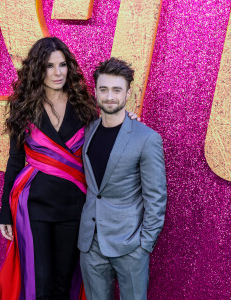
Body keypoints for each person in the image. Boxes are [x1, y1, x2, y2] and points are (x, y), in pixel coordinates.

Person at [0, 37, 139, 300]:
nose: (58, 73)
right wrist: (4, 212)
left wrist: (127, 122)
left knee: (64, 283)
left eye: (62, 65)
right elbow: (14, 161)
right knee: (40, 284)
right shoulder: (22, 107)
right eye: (49, 66)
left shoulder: (86, 106)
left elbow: (106, 140)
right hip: (34, 206)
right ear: (38, 69)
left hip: (75, 207)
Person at [78, 57, 167, 300]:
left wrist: (144, 246)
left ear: (128, 93)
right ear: (95, 92)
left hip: (130, 245)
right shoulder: (87, 131)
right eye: (104, 89)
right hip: (90, 244)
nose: (109, 96)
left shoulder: (146, 138)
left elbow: (156, 197)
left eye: (117, 90)